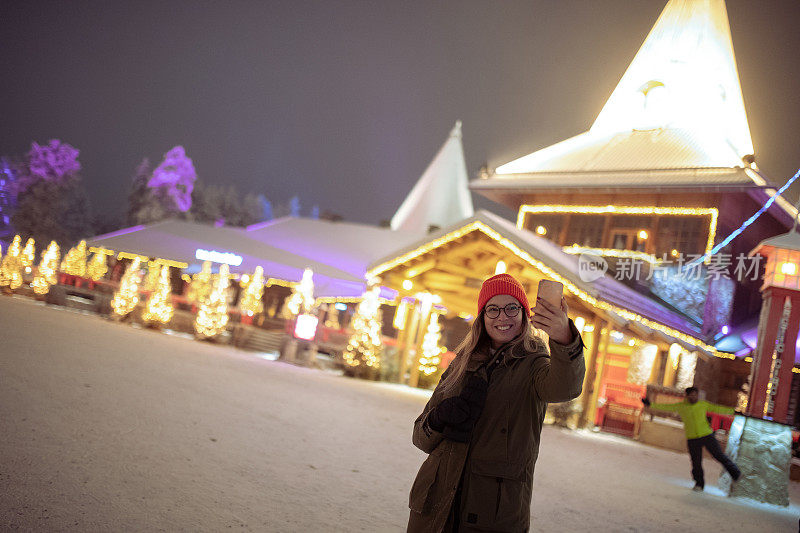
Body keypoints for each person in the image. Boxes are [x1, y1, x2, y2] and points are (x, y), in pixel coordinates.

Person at [407, 273, 585, 532]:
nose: (503, 317)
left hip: (493, 513)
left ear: (524, 314)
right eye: (493, 309)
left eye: (512, 308)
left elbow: (565, 388)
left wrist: (564, 339)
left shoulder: (535, 364)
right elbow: (420, 438)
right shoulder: (461, 364)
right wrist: (438, 419)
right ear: (482, 317)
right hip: (436, 506)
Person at [642, 387, 741, 491]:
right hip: (692, 438)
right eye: (692, 395)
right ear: (687, 395)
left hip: (707, 435)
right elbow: (666, 407)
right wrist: (650, 404)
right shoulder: (681, 406)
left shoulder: (703, 404)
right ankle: (699, 484)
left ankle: (736, 473)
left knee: (719, 455)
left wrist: (734, 411)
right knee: (696, 462)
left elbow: (717, 408)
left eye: (696, 395)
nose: (694, 397)